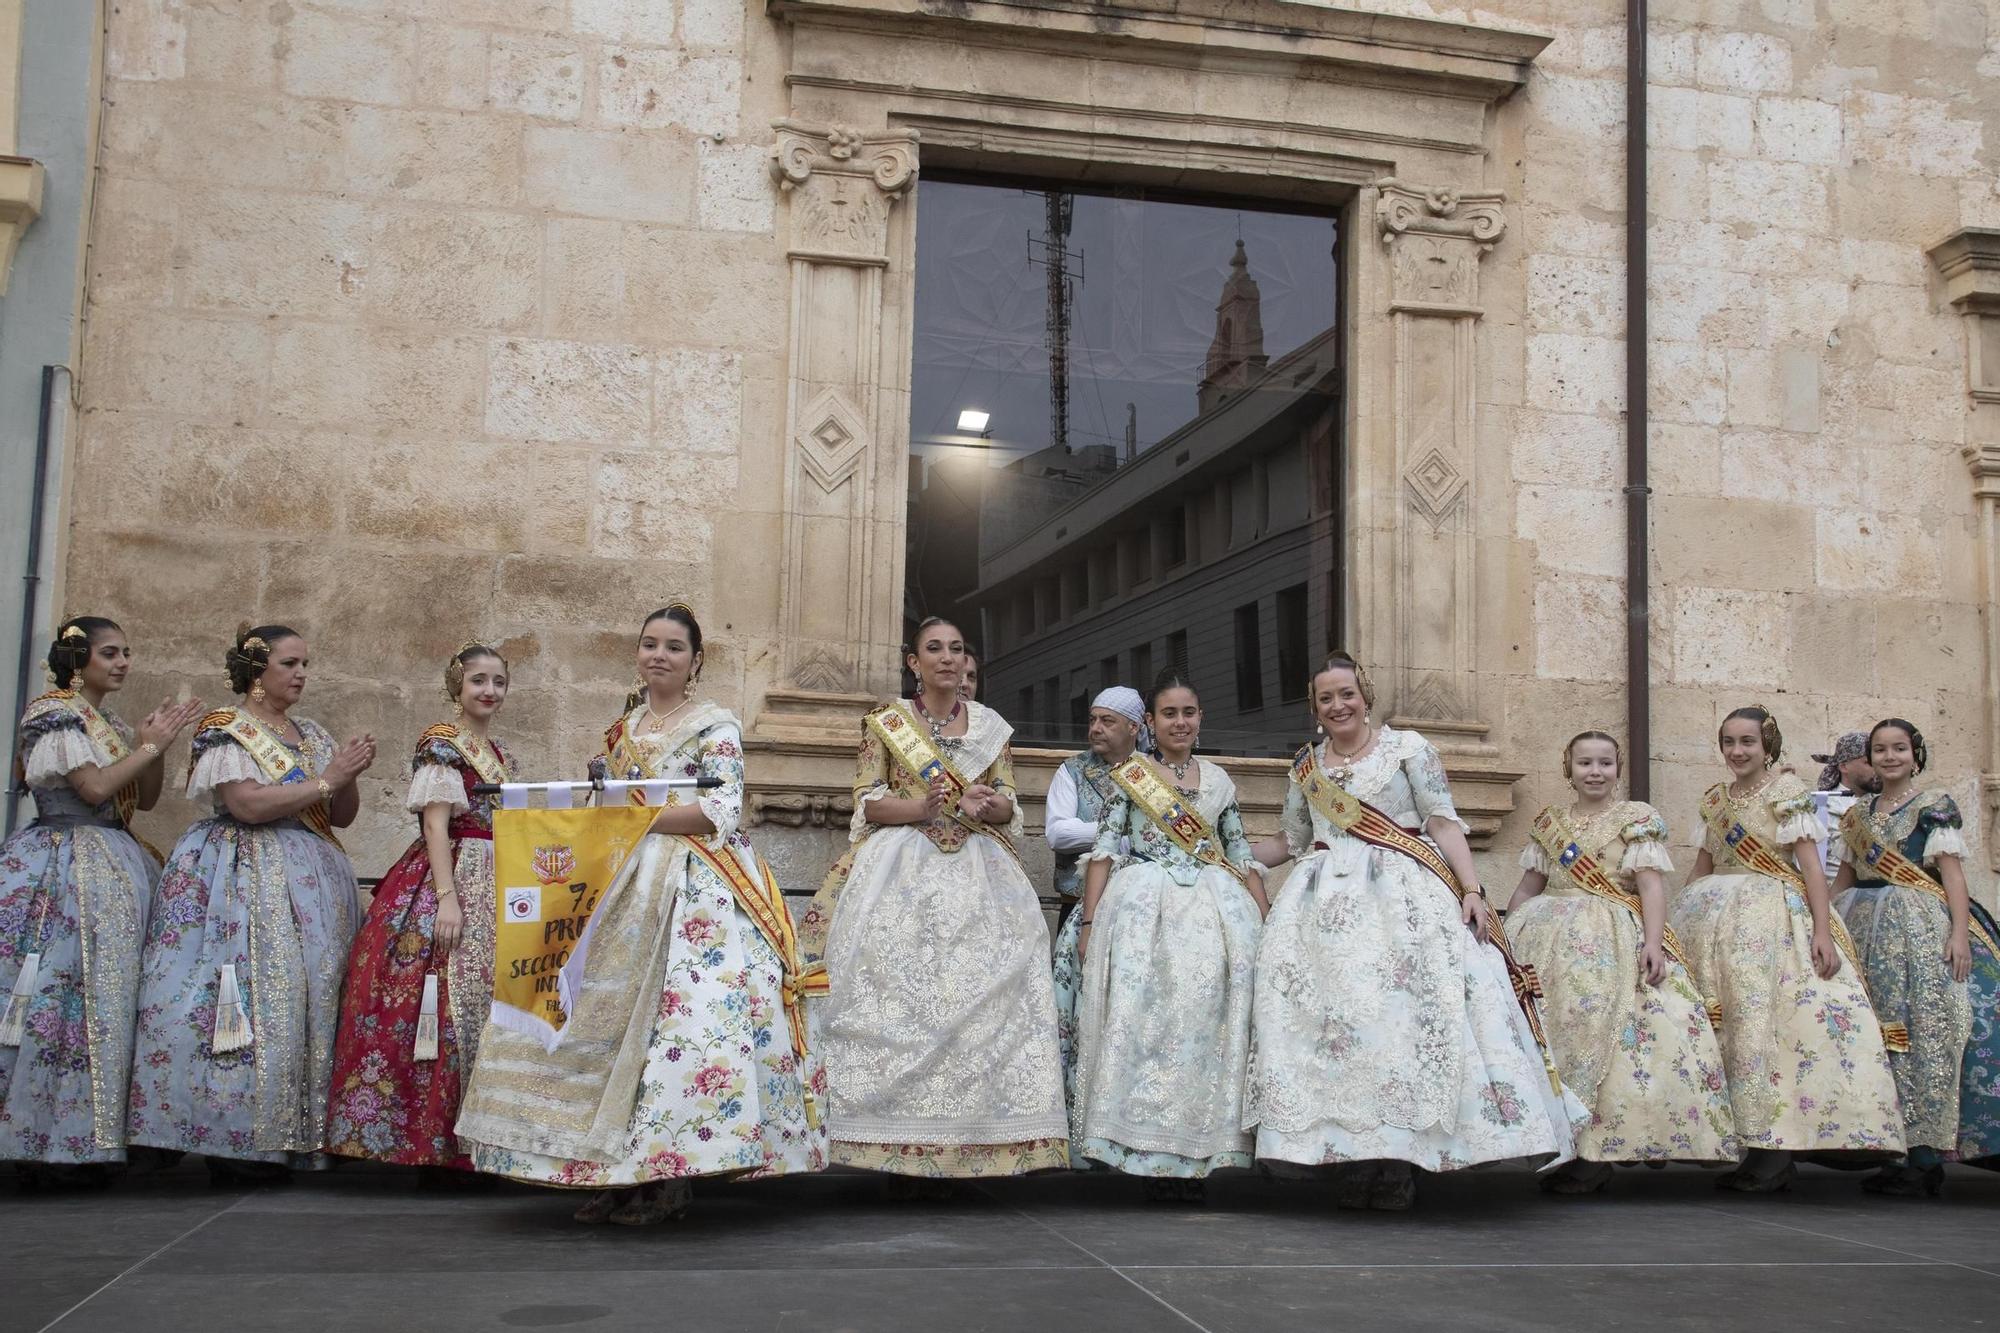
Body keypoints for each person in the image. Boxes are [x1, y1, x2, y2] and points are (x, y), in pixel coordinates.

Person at [455, 605, 824, 1224]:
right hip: (620, 879)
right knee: (602, 1026)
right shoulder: (623, 729)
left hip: (694, 883)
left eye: (674, 648)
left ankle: (669, 1176)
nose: (659, 655)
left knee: (678, 1028)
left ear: (695, 661)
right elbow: (616, 804)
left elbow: (719, 812)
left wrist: (626, 812)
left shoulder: (715, 727)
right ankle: (611, 1172)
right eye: (650, 644)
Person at [1245, 653, 1581, 1210]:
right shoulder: (1307, 765)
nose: (1338, 705)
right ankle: (1353, 1159)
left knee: (1399, 1028)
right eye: (1326, 698)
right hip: (1322, 916)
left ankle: (1400, 1162)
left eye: (1346, 694)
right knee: (1341, 1036)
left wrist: (1472, 890)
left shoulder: (1409, 749)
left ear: (1365, 694)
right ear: (1314, 708)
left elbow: (1443, 822)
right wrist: (1228, 856)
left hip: (1404, 905)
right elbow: (1292, 840)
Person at [805, 616, 1067, 1187]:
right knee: (899, 1000)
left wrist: (984, 804)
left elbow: (1009, 807)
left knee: (978, 1005)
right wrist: (924, 806)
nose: (947, 658)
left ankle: (973, 1141)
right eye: (934, 649)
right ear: (913, 662)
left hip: (979, 872)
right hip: (898, 870)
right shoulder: (886, 724)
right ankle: (893, 1143)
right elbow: (868, 802)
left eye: (956, 649)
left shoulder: (993, 728)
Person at [126, 624, 375, 1184]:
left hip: (312, 880)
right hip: (242, 877)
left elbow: (339, 815)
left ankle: (296, 1132)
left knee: (306, 999)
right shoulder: (226, 728)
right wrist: (327, 779)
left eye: (305, 663)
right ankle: (236, 1137)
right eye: (289, 663)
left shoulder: (310, 732)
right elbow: (247, 804)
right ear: (257, 671)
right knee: (245, 998)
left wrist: (347, 776)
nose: (301, 673)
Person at [0, 617, 203, 1186]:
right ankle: (44, 1137)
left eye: (126, 653)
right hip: (62, 864)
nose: (122, 663)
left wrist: (154, 748)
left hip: (113, 859)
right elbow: (92, 789)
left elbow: (145, 794)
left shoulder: (107, 721)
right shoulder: (54, 713)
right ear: (77, 658)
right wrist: (149, 744)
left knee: (109, 995)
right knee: (57, 993)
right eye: (109, 653)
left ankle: (93, 1134)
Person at [1671, 704, 1904, 1193]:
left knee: (1766, 1030)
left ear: (1767, 744)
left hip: (1771, 919)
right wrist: (1675, 925)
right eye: (1729, 742)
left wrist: (1822, 930)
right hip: (1712, 919)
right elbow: (1703, 865)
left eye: (1748, 742)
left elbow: (1812, 869)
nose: (1738, 751)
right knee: (1727, 1029)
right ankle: (1744, 1144)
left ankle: (1775, 1152)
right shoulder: (1714, 799)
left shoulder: (1788, 793)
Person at [1504, 730, 1736, 1193]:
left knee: (1612, 1038)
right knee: (1554, 1033)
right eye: (1585, 763)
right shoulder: (1551, 821)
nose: (1595, 772)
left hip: (1613, 937)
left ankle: (1600, 1151)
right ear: (1567, 768)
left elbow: (1651, 886)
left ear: (1618, 768)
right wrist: (1504, 938)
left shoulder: (1637, 820)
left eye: (1605, 763)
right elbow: (1531, 884)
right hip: (1548, 938)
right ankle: (1566, 1144)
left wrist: (1653, 942)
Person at [1070, 672, 1266, 1198]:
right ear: (1151, 724)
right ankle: (1145, 1153)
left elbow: (1240, 854)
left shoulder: (1220, 782)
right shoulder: (1132, 777)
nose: (1181, 722)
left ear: (1201, 718)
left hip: (1214, 913)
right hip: (1143, 913)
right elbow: (1105, 851)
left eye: (1189, 712)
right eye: (1169, 714)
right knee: (1145, 1029)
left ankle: (1197, 1155)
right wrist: (1089, 925)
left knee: (1204, 1033)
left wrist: (1265, 925)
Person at [326, 643, 513, 1176]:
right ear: (457, 685)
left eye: (498, 681)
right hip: (447, 874)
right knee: (436, 999)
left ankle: (478, 1141)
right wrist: (447, 899)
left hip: (493, 873)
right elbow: (435, 824)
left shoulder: (496, 752)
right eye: (479, 680)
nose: (489, 691)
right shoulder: (442, 745)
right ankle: (429, 1143)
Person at [1832, 718, 2000, 1195]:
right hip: (1861, 924)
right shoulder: (1858, 814)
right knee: (1878, 1034)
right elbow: (1845, 876)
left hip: (1916, 925)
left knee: (1921, 1031)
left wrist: (1961, 935)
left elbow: (1952, 875)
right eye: (1880, 750)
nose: (1889, 757)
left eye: (1899, 749)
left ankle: (1924, 1157)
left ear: (1915, 754)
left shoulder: (1934, 807)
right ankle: (1890, 1146)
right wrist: (1819, 921)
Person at [1046, 686, 1144, 1165]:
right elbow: (1058, 832)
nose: (1096, 729)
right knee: (1074, 1022)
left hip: (1141, 914)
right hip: (1080, 911)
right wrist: (1119, 833)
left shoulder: (1155, 772)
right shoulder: (1072, 770)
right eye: (1093, 719)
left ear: (1135, 727)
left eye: (1108, 721)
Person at [1810, 731, 1876, 881]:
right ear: (1844, 766)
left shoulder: (1884, 802)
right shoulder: (1821, 805)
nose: (1876, 767)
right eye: (1867, 762)